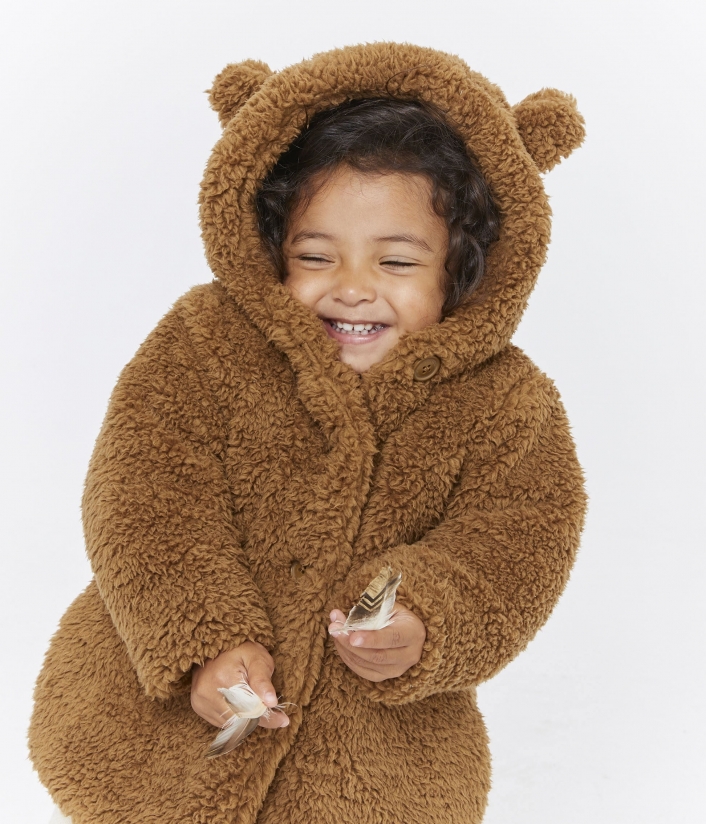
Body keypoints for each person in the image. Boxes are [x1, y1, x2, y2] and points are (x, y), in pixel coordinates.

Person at [31, 43, 587, 824]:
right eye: (316, 255)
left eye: (397, 262)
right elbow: (144, 495)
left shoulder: (507, 402)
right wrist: (204, 639)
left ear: (465, 268)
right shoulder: (204, 342)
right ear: (272, 249)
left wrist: (423, 618)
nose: (352, 288)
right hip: (153, 737)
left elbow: (517, 543)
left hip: (376, 768)